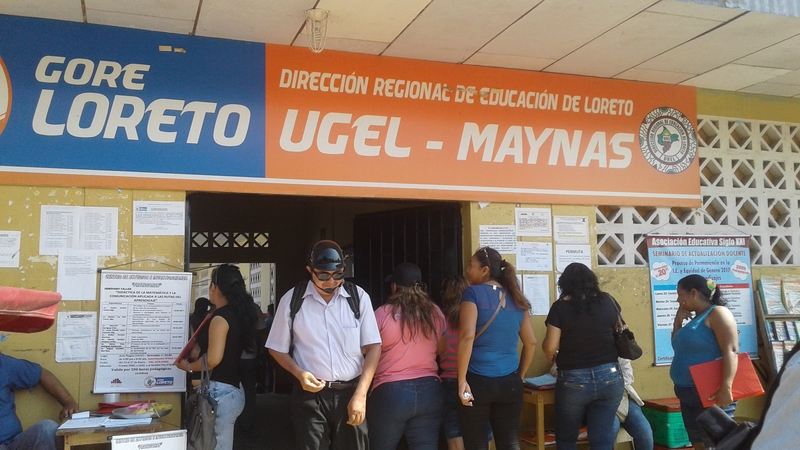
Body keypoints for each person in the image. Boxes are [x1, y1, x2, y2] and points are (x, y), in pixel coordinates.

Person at [266, 240, 381, 450]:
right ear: (310, 271)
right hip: (310, 396)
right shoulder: (292, 300)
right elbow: (276, 347)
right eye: (323, 275)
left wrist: (361, 395)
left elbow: (373, 347)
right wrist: (299, 373)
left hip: (351, 391)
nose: (331, 281)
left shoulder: (358, 297)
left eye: (338, 275)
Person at [458, 246, 537, 450]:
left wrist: (461, 380)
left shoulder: (472, 293)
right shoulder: (516, 297)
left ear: (485, 270)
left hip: (477, 382)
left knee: (476, 443)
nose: (467, 270)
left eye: (471, 265)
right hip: (510, 382)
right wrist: (519, 376)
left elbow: (467, 336)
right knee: (509, 442)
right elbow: (531, 342)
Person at [175, 263, 259, 450]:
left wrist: (188, 367)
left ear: (214, 287)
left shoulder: (220, 317)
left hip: (219, 394)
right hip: (231, 390)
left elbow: (213, 359)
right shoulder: (239, 314)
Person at [542, 262, 624, 450]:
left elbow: (550, 346)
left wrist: (551, 355)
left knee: (567, 439)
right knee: (602, 440)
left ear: (564, 284)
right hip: (610, 376)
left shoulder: (560, 308)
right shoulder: (608, 301)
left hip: (573, 380)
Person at [367, 262, 447, 450]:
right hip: (430, 391)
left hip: (391, 392)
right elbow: (441, 349)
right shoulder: (434, 312)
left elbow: (368, 350)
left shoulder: (382, 313)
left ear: (394, 287)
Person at [670, 274, 738, 450]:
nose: (678, 300)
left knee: (716, 444)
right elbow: (678, 347)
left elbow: (731, 350)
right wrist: (677, 323)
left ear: (693, 293)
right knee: (698, 442)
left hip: (709, 392)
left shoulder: (718, 313)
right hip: (687, 392)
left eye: (680, 294)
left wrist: (726, 387)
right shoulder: (695, 320)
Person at [0, 352, 79, 450]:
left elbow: (41, 374)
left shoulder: (3, 364)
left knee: (47, 428)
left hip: (12, 444)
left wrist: (68, 402)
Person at [439, 275, 472, 450]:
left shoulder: (441, 320)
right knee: (479, 426)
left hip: (449, 381)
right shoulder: (474, 318)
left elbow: (438, 349)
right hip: (471, 380)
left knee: (453, 428)